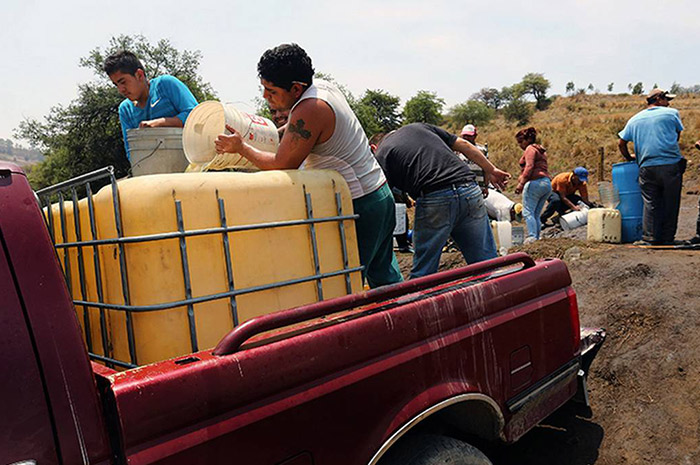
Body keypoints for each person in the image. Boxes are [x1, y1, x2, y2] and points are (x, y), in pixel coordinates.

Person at [214, 43, 402, 288]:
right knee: (385, 279)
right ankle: (407, 321)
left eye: (271, 91)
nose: (265, 97)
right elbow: (295, 130)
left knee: (345, 285)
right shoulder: (321, 88)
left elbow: (282, 165)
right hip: (379, 195)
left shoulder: (310, 109)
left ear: (295, 88)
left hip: (360, 205)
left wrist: (242, 148)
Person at [372, 123, 510, 279]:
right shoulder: (420, 127)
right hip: (469, 189)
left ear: (373, 147)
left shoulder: (382, 153)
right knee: (486, 263)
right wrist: (491, 170)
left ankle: (420, 300)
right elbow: (463, 145)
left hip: (435, 198)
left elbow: (384, 196)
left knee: (425, 269)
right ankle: (496, 296)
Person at [618, 89, 685, 245]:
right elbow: (677, 135)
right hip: (670, 165)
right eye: (666, 99)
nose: (668, 103)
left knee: (650, 203)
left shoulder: (634, 119)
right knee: (671, 202)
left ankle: (650, 238)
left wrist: (630, 157)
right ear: (658, 99)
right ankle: (667, 238)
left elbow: (621, 143)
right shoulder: (671, 113)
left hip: (647, 166)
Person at [103, 51, 199, 160]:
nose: (120, 90)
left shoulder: (166, 84)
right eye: (116, 85)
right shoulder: (125, 110)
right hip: (153, 172)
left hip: (190, 165)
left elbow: (196, 118)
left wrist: (159, 123)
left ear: (139, 75)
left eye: (123, 82)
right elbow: (131, 151)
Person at [459, 124, 521, 222]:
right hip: (462, 187)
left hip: (478, 187)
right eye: (464, 135)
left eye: (469, 135)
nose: (466, 138)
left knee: (477, 214)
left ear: (475, 136)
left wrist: (486, 186)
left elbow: (486, 169)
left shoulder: (482, 150)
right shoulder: (457, 150)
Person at [514, 127, 551, 242]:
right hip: (546, 183)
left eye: (521, 142)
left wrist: (521, 183)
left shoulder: (530, 149)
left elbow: (529, 166)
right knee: (535, 214)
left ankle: (532, 237)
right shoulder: (540, 150)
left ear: (527, 140)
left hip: (535, 183)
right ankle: (537, 237)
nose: (520, 145)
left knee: (527, 212)